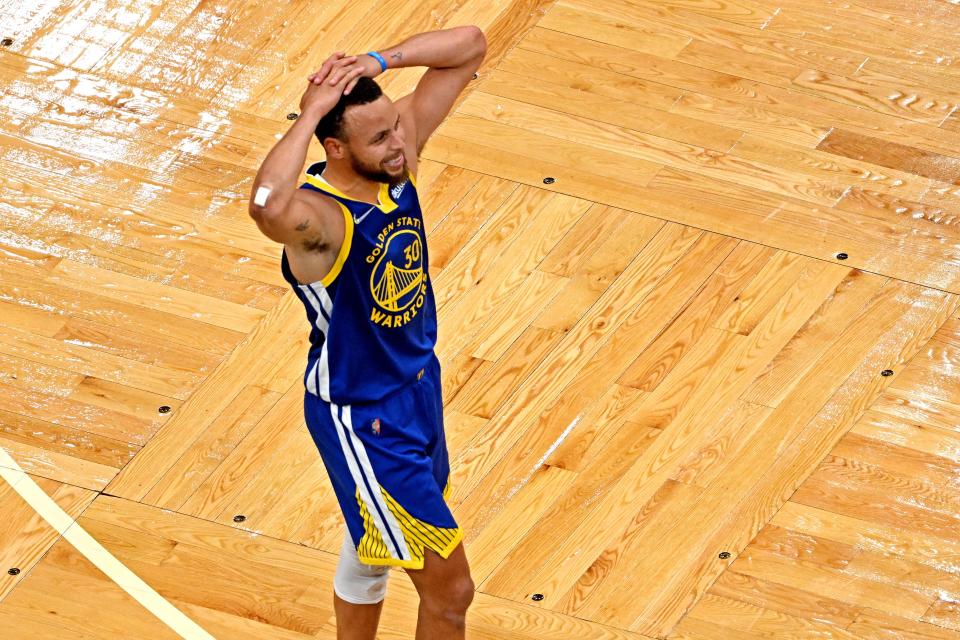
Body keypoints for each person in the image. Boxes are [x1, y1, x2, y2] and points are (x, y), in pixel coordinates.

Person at [248, 26, 487, 640]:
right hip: (364, 415)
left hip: (416, 390)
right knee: (451, 589)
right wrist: (309, 115)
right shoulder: (320, 219)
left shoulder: (392, 163)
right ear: (333, 148)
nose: (400, 143)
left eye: (397, 127)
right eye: (380, 136)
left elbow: (470, 45)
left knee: (375, 545)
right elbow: (265, 205)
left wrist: (381, 60)